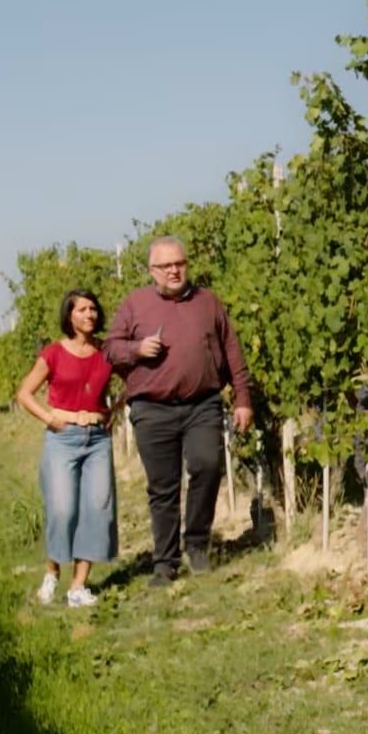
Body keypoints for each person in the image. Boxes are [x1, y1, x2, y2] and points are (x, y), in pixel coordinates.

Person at [104, 236, 254, 586]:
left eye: (179, 264)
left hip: (202, 403)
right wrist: (137, 349)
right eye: (165, 266)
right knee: (163, 487)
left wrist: (243, 398)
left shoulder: (208, 302)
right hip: (151, 409)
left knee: (208, 465)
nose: (174, 270)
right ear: (152, 271)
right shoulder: (135, 304)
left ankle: (197, 543)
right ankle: (165, 564)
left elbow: (232, 350)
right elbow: (111, 349)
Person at [15, 289, 119, 607]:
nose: (90, 315)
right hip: (63, 439)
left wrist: (113, 411)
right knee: (63, 510)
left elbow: (135, 379)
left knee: (98, 508)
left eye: (93, 309)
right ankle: (52, 571)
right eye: (82, 310)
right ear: (69, 316)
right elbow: (25, 394)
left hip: (97, 439)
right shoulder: (53, 355)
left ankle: (77, 587)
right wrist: (50, 418)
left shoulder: (107, 352)